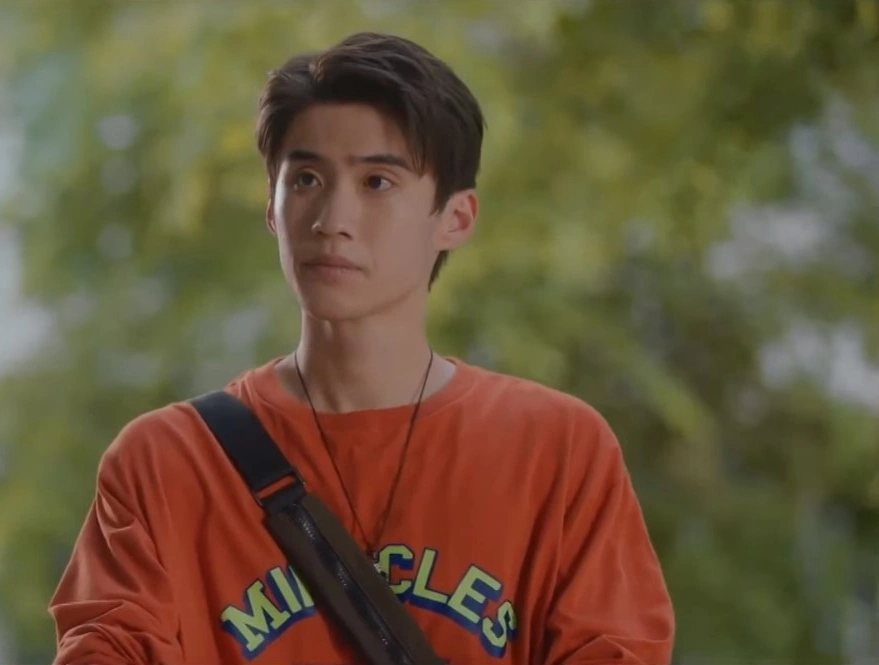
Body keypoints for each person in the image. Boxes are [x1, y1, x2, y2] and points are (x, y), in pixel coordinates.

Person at [49, 31, 675, 665]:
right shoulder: (165, 464)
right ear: (272, 208)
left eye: (377, 182)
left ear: (455, 218)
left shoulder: (557, 452)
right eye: (306, 179)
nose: (331, 220)